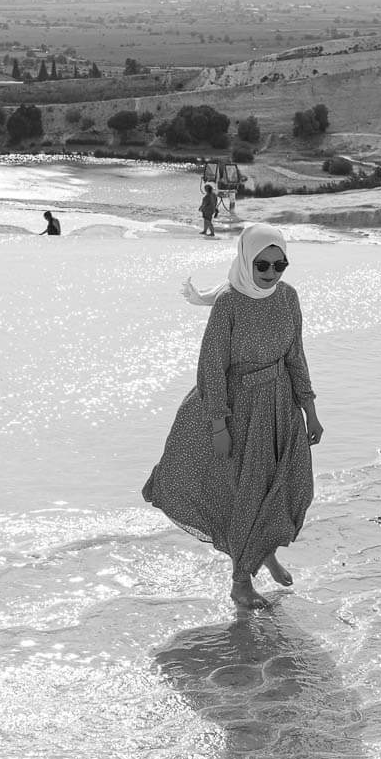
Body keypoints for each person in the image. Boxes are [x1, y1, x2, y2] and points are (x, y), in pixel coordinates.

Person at [142, 222, 323, 612]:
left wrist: (310, 411)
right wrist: (219, 424)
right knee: (246, 493)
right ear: (246, 261)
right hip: (240, 409)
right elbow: (211, 367)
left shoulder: (288, 298)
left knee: (291, 486)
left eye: (280, 265)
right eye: (263, 265)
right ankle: (241, 583)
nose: (272, 273)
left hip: (280, 406)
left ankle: (263, 551)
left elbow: (296, 355)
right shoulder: (229, 304)